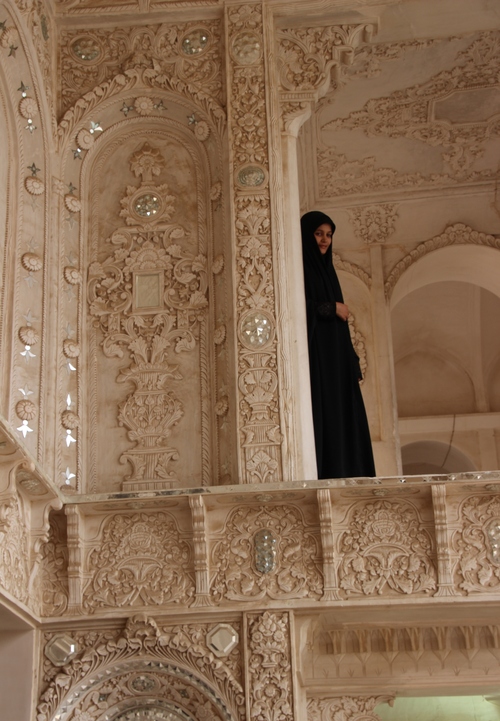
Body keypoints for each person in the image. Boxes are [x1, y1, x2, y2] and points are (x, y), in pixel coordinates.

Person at [301, 210, 375, 479]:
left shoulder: (328, 272)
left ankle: (351, 472)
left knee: (345, 412)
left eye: (329, 235)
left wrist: (351, 359)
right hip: (320, 355)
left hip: (337, 357)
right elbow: (297, 307)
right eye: (319, 233)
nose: (324, 240)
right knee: (327, 412)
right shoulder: (302, 269)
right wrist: (330, 308)